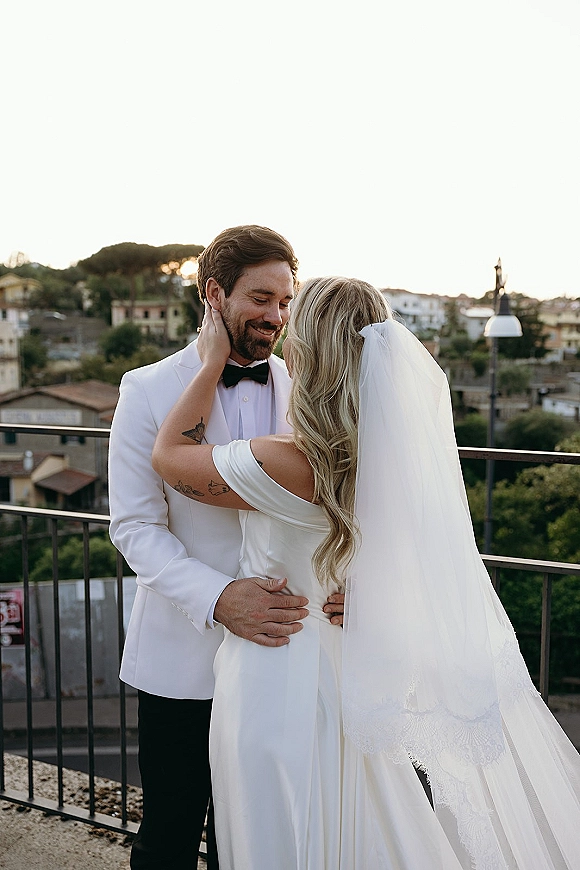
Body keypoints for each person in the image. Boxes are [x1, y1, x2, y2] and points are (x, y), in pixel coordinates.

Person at [152, 276, 580, 870]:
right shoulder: (390, 458)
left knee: (278, 834)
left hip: (274, 674)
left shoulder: (281, 461)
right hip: (350, 670)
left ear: (309, 347)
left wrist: (208, 362)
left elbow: (169, 457)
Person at [108, 226, 344, 870]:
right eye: (260, 298)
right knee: (170, 834)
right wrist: (218, 598)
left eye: (285, 301)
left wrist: (345, 581)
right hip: (183, 660)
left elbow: (337, 511)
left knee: (263, 832)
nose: (276, 316)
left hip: (287, 654)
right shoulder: (147, 389)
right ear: (215, 294)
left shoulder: (311, 388)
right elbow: (134, 528)